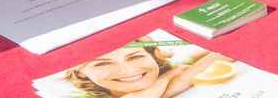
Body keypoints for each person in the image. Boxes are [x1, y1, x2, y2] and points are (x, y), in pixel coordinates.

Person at [64, 39, 232, 97]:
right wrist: (172, 81)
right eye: (102, 63)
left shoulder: (169, 66)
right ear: (80, 71)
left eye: (135, 56)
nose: (128, 70)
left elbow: (225, 50)